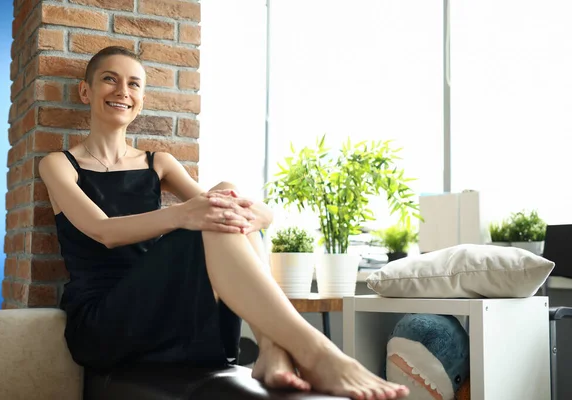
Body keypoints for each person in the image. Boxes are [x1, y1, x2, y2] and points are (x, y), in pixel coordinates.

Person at [38, 46, 410, 400]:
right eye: (110, 79)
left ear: (142, 99)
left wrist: (262, 214)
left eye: (134, 83)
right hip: (105, 321)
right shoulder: (59, 164)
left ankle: (272, 348)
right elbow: (103, 231)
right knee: (211, 214)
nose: (122, 91)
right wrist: (183, 214)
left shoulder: (159, 163)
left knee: (226, 194)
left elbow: (231, 207)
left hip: (166, 306)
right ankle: (312, 351)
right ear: (86, 91)